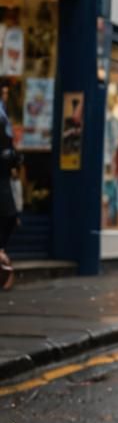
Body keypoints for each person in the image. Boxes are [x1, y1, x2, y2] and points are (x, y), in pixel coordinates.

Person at [0, 87, 21, 291]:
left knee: (10, 217)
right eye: (3, 93)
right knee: (9, 216)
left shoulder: (4, 116)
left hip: (4, 176)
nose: (6, 96)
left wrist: (13, 159)